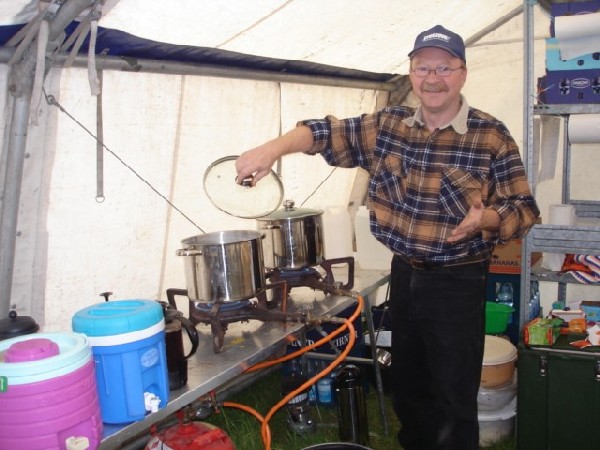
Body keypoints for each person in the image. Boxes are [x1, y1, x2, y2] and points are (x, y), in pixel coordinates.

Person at [236, 24, 540, 450]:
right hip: (405, 274)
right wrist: (271, 150)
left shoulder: (491, 135)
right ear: (411, 73)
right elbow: (323, 132)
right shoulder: (387, 126)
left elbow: (524, 210)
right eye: (422, 68)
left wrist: (486, 218)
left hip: (458, 280)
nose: (432, 78)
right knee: (408, 389)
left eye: (444, 68)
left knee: (453, 398)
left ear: (463, 73)